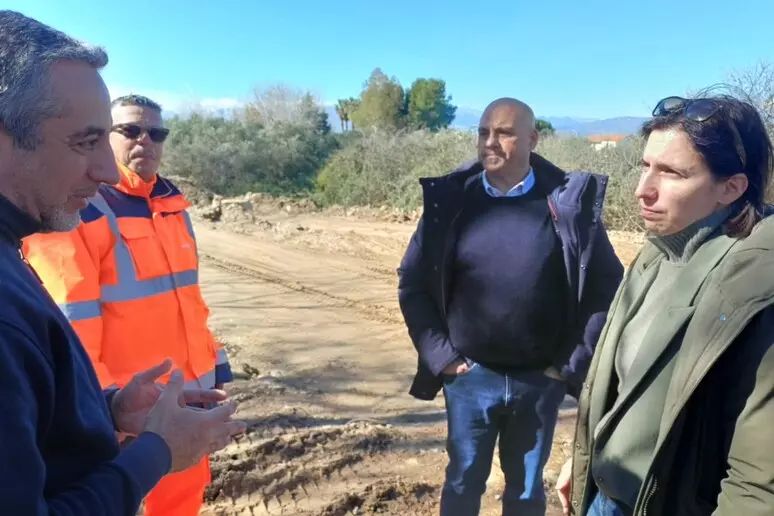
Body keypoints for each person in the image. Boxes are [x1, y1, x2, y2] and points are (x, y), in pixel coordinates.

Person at [0, 10, 244, 514]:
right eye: (88, 140)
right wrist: (143, 447)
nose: (109, 169)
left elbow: (188, 301)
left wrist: (108, 406)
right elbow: (75, 322)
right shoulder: (71, 215)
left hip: (161, 409)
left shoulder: (172, 207)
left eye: (158, 134)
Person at [398, 97, 623, 515]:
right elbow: (412, 282)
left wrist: (568, 363)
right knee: (462, 481)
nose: (490, 142)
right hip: (469, 379)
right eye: (483, 132)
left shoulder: (566, 205)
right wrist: (441, 356)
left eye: (503, 133)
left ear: (532, 140)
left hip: (538, 382)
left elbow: (605, 287)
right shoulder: (452, 202)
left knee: (525, 491)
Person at [556, 95, 774, 516]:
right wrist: (589, 462)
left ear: (731, 187)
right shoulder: (658, 253)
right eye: (645, 166)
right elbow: (624, 391)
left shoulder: (756, 291)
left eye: (672, 173)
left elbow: (757, 482)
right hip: (608, 495)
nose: (643, 190)